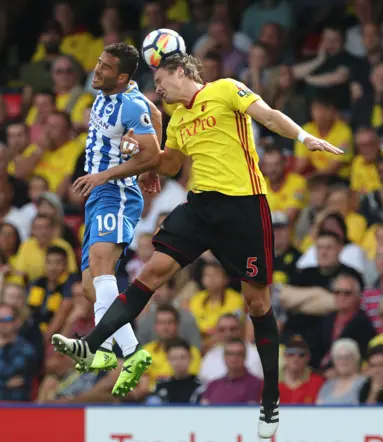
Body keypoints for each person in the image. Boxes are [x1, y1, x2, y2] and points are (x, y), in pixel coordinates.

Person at [53, 52, 341, 437]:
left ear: (182, 72)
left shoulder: (225, 90)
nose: (158, 89)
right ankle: (91, 344)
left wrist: (304, 137)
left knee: (257, 303)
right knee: (152, 272)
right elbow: (170, 164)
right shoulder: (178, 121)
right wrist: (136, 153)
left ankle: (270, 400)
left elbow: (269, 115)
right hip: (201, 206)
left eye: (161, 81)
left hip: (244, 208)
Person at [54, 43, 162, 376]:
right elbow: (156, 115)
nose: (96, 71)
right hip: (99, 197)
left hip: (117, 193)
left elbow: (149, 152)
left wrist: (146, 166)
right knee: (91, 287)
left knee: (102, 268)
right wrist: (152, 167)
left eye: (104, 68)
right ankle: (112, 351)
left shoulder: (128, 105)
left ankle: (118, 352)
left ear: (123, 76)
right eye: (98, 63)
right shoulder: (115, 91)